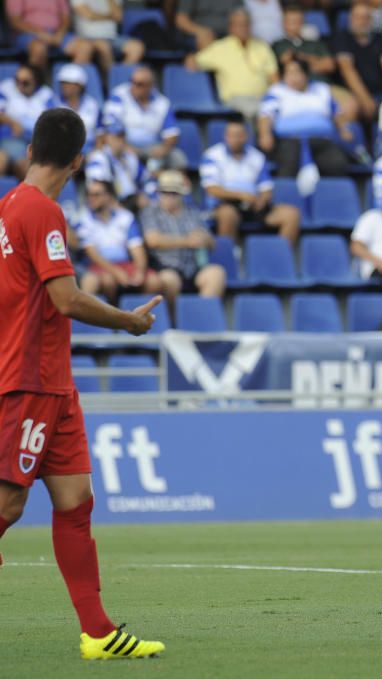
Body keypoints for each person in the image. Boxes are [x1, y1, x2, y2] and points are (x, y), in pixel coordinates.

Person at [0, 107, 165, 659]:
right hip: (31, 379)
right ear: (77, 160)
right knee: (7, 503)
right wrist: (131, 322)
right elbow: (65, 298)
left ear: (29, 151)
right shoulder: (43, 212)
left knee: (75, 500)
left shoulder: (8, 207)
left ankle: (98, 633)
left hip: (53, 382)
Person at [201, 121, 301, 243]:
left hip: (254, 205)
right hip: (225, 203)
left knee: (291, 215)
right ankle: (229, 255)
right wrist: (241, 195)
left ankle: (280, 256)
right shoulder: (213, 155)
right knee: (227, 214)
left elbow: (266, 187)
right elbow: (212, 189)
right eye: (231, 135)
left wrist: (262, 200)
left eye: (239, 135)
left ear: (246, 136)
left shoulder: (257, 157)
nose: (235, 139)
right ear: (225, 136)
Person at [257, 58, 354, 178]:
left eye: (297, 72)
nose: (293, 77)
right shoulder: (277, 91)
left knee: (336, 163)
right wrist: (265, 135)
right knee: (289, 164)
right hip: (289, 140)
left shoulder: (322, 89)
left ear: (306, 74)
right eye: (289, 73)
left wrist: (344, 130)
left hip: (321, 139)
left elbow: (336, 113)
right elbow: (266, 115)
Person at [141, 170, 227, 303]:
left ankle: (201, 318)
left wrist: (205, 239)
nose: (169, 196)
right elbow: (152, 240)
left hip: (193, 267)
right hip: (164, 266)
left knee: (216, 273)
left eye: (174, 193)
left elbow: (212, 243)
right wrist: (186, 241)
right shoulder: (151, 211)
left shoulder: (192, 211)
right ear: (158, 193)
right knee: (170, 280)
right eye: (165, 192)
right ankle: (172, 321)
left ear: (181, 194)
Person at [76, 179, 161, 301]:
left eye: (96, 194)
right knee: (108, 281)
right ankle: (111, 317)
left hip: (124, 264)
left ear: (109, 196)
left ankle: (140, 315)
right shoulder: (84, 218)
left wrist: (140, 271)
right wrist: (116, 272)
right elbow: (92, 254)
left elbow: (136, 247)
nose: (91, 198)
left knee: (154, 281)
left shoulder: (125, 216)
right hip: (98, 266)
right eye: (89, 195)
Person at [185, 8, 279, 120]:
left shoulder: (262, 47)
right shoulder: (220, 48)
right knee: (260, 112)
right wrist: (194, 54)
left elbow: (274, 78)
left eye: (246, 24)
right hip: (236, 100)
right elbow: (192, 61)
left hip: (263, 98)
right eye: (239, 25)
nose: (243, 28)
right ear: (231, 27)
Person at [101, 65, 184, 170]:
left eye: (139, 84)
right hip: (125, 145)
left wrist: (164, 148)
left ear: (150, 86)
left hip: (152, 148)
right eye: (132, 82)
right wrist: (126, 147)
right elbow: (111, 126)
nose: (134, 86)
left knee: (177, 157)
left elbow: (172, 133)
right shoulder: (119, 95)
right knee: (111, 150)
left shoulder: (162, 103)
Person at [332, 2, 382, 123]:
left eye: (365, 17)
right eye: (357, 17)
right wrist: (365, 99)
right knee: (355, 107)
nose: (361, 21)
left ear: (371, 20)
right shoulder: (343, 37)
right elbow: (347, 70)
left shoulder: (379, 38)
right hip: (353, 92)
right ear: (350, 18)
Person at [0, 65, 56, 178]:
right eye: (17, 81)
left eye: (25, 82)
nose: (20, 85)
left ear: (35, 80)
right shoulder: (6, 88)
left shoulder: (46, 94)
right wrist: (12, 122)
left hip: (36, 141)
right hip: (12, 138)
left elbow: (52, 120)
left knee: (30, 166)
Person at [6, 0, 96, 71]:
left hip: (56, 33)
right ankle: (41, 88)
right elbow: (15, 21)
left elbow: (66, 17)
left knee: (85, 47)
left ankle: (70, 83)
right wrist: (40, 33)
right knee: (39, 48)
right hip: (28, 34)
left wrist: (60, 33)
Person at [84, 122, 153, 213]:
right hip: (111, 205)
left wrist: (147, 195)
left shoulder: (130, 157)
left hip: (133, 201)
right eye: (116, 137)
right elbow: (97, 187)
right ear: (107, 138)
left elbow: (147, 179)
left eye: (122, 137)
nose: (120, 141)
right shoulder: (99, 158)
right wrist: (115, 205)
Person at [70, 0, 145, 71]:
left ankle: (121, 77)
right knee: (104, 46)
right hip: (87, 38)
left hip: (112, 38)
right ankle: (111, 80)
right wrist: (110, 16)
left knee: (137, 48)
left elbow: (119, 16)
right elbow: (89, 15)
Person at [272, 5, 338, 83]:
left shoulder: (315, 43)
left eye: (298, 21)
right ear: (284, 23)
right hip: (292, 89)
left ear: (303, 22)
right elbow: (282, 68)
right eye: (291, 21)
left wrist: (301, 58)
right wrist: (315, 61)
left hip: (322, 86)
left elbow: (329, 66)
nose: (294, 25)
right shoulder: (277, 45)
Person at [55, 64, 101, 154]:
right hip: (62, 150)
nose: (64, 86)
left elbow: (100, 132)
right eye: (63, 83)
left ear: (79, 86)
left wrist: (96, 150)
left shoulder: (92, 104)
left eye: (69, 83)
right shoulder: (54, 103)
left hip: (89, 148)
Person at [175, 0, 243, 50]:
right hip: (203, 36)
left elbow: (240, 15)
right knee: (205, 39)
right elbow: (180, 19)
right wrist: (200, 31)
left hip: (229, 34)